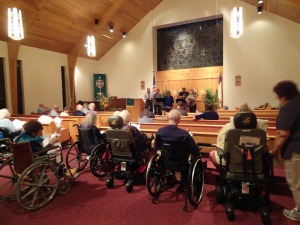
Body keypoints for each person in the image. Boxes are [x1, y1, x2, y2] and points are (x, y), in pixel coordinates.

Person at [271, 80, 300, 221]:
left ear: (283, 96)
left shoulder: (289, 108)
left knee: (296, 182)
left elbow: (282, 134)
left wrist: (274, 151)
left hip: (296, 150)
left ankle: (299, 212)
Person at [155, 109, 200, 191]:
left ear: (167, 118)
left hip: (166, 160)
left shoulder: (160, 131)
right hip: (182, 162)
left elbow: (156, 147)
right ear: (179, 120)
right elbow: (194, 149)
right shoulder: (184, 133)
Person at [210, 104, 252, 170]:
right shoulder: (258, 129)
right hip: (252, 161)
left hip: (230, 160)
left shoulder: (228, 126)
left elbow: (218, 142)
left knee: (212, 153)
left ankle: (224, 174)